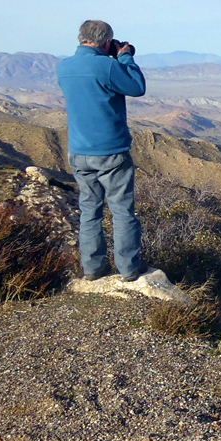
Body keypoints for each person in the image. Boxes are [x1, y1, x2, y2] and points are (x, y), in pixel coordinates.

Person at [56, 20, 148, 281]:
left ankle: (93, 268)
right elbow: (136, 87)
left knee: (89, 211)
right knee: (122, 212)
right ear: (107, 42)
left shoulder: (64, 67)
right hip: (111, 151)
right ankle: (129, 269)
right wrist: (125, 57)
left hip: (78, 151)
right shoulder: (107, 66)